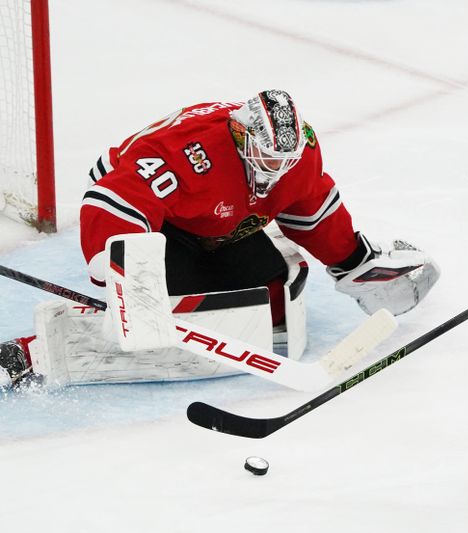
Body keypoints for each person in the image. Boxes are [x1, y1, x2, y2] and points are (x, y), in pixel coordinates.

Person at [0, 89, 439, 388]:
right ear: (241, 133)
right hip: (156, 220)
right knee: (156, 302)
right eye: (266, 155)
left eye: (284, 159)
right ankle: (32, 352)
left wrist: (354, 261)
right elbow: (114, 197)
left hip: (220, 226)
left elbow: (310, 210)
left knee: (270, 292)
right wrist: (126, 267)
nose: (275, 168)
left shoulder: (299, 154)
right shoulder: (192, 153)